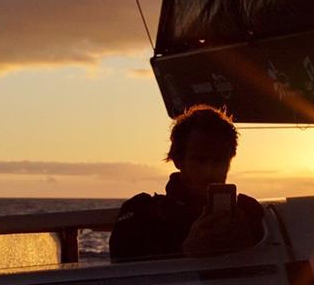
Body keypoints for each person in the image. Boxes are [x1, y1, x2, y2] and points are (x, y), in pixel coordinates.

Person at [109, 104, 264, 261]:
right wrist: (185, 252)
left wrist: (252, 249)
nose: (209, 171)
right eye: (199, 160)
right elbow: (123, 272)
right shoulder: (142, 214)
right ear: (178, 160)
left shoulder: (249, 213)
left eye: (219, 160)